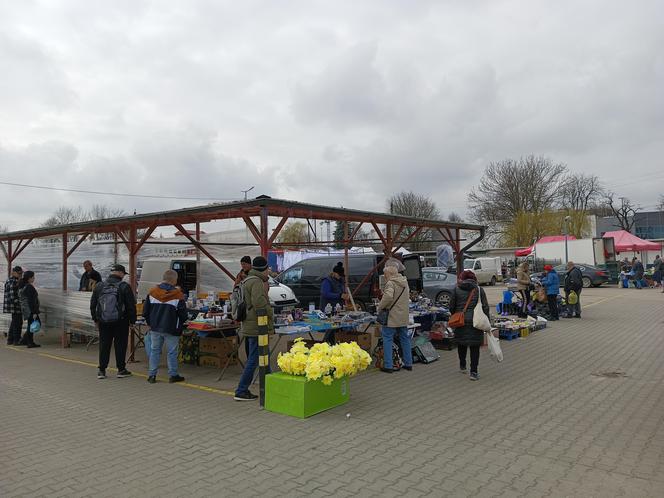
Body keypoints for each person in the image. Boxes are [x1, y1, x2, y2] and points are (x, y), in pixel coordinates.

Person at [234, 256, 274, 401]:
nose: (268, 272)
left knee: (265, 356)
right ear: (263, 269)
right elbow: (259, 303)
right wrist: (271, 312)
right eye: (267, 269)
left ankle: (269, 385)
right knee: (254, 359)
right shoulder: (256, 282)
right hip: (257, 326)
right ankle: (241, 390)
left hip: (250, 324)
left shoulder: (247, 280)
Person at [90, 264, 137, 379]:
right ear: (120, 273)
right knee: (120, 345)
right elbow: (131, 306)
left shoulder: (99, 286)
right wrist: (132, 321)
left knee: (104, 344)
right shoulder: (124, 286)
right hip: (121, 321)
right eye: (123, 274)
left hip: (103, 321)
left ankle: (102, 370)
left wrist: (96, 319)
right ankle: (121, 370)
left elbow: (93, 305)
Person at [143, 269, 188, 384]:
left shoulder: (152, 292)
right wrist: (182, 323)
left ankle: (152, 375)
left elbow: (145, 311)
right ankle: (173, 375)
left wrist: (150, 323)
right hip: (172, 328)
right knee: (172, 352)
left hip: (155, 327)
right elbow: (183, 314)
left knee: (155, 351)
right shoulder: (178, 295)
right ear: (174, 280)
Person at [449, 270, 489, 381]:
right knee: (474, 347)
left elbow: (451, 306)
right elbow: (485, 307)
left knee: (461, 344)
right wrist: (487, 322)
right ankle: (474, 372)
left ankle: (462, 365)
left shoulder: (456, 289)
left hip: (460, 321)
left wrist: (455, 315)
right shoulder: (480, 290)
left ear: (462, 278)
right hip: (476, 321)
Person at [376, 265, 412, 373]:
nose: (385, 277)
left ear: (390, 274)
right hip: (403, 316)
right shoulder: (404, 282)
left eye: (386, 274)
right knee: (405, 338)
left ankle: (388, 365)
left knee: (387, 338)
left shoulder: (391, 283)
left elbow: (388, 297)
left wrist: (380, 307)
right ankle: (408, 363)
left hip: (392, 316)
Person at [18, 270, 41, 348]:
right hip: (30, 310)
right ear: (29, 278)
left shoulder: (24, 286)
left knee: (30, 325)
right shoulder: (29, 287)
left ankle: (26, 340)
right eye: (33, 277)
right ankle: (29, 342)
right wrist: (34, 312)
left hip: (26, 309)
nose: (34, 278)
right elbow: (31, 301)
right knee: (33, 325)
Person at [3, 266, 23, 345]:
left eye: (21, 273)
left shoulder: (11, 280)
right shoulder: (13, 281)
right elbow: (13, 296)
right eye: (19, 273)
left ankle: (10, 340)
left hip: (13, 306)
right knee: (17, 323)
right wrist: (20, 303)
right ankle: (16, 340)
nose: (20, 275)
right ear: (14, 272)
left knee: (14, 322)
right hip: (14, 306)